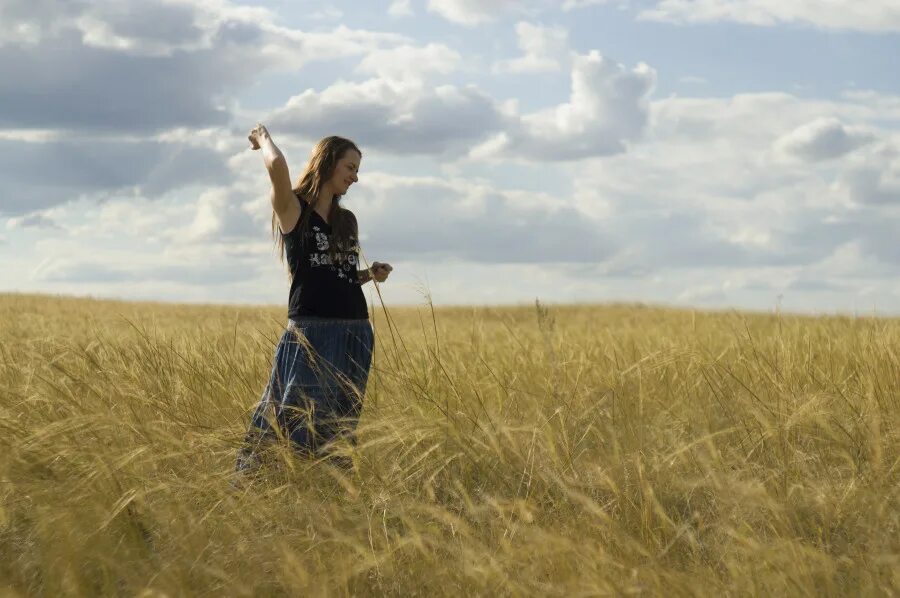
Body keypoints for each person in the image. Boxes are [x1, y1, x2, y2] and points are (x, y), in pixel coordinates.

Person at [235, 124, 392, 476]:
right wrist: (263, 138)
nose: (355, 178)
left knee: (339, 422)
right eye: (350, 168)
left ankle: (327, 489)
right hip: (311, 332)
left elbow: (338, 276)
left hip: (356, 333)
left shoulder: (346, 220)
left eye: (357, 170)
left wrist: (370, 275)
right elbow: (277, 168)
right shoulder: (293, 209)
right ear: (328, 163)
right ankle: (259, 481)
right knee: (287, 412)